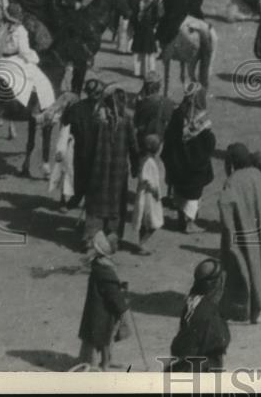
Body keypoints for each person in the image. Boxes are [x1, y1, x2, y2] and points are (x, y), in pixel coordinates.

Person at [0, 1, 57, 176]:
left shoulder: (1, 29)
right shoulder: (21, 31)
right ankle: (39, 110)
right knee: (40, 80)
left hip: (0, 62)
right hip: (16, 60)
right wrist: (35, 58)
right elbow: (24, 51)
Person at [218, 143, 261, 324]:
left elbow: (225, 207)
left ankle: (257, 308)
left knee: (246, 268)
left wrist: (228, 231)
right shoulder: (257, 174)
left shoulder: (232, 181)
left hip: (243, 231)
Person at [80, 85, 139, 248]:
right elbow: (134, 146)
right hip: (118, 171)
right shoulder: (127, 120)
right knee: (116, 203)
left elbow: (87, 147)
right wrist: (136, 166)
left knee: (96, 202)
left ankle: (91, 238)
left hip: (98, 169)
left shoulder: (97, 118)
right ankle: (111, 239)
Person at [161, 82, 216, 233]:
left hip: (177, 163)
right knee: (192, 196)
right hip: (194, 165)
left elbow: (170, 138)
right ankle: (189, 224)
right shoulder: (200, 118)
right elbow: (208, 143)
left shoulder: (178, 113)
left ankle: (181, 219)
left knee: (180, 194)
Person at [77, 231, 128, 372]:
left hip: (98, 307)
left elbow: (110, 287)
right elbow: (112, 293)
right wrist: (122, 307)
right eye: (115, 244)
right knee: (106, 338)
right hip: (104, 311)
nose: (117, 245)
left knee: (107, 337)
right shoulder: (105, 270)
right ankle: (105, 363)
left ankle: (106, 361)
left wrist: (118, 287)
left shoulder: (100, 264)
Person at [168, 259, 231, 372]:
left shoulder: (192, 302)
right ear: (216, 284)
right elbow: (221, 341)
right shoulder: (208, 312)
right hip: (200, 368)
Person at [64, 78, 106, 214]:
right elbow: (67, 123)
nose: (97, 96)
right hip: (84, 149)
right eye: (96, 93)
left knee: (91, 178)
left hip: (95, 150)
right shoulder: (79, 108)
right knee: (81, 176)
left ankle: (88, 202)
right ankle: (78, 198)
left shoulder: (104, 108)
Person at [133, 133, 164, 255]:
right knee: (153, 221)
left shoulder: (146, 160)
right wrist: (153, 189)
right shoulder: (148, 162)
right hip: (149, 195)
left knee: (147, 220)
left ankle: (142, 242)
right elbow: (144, 178)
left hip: (148, 194)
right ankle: (142, 243)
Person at [133, 70, 174, 148]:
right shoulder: (168, 102)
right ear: (159, 86)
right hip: (161, 142)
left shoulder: (142, 104)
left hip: (144, 142)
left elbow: (136, 124)